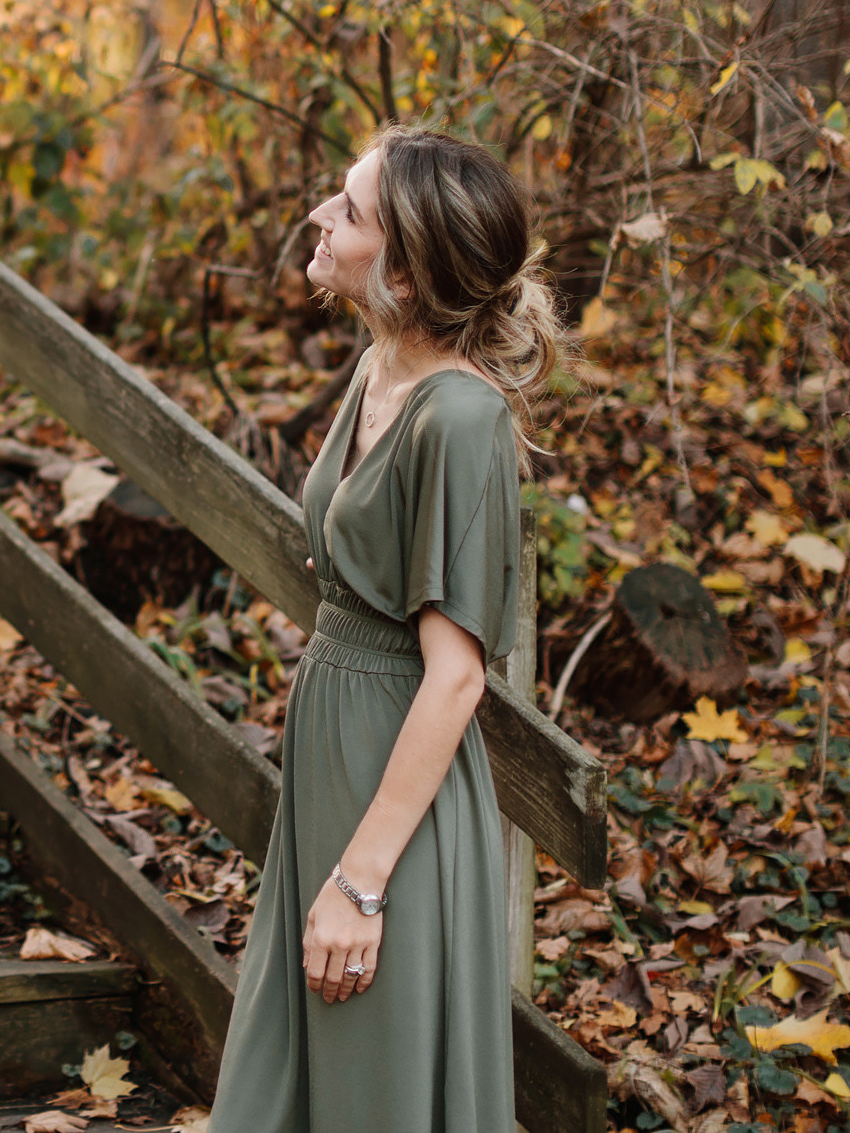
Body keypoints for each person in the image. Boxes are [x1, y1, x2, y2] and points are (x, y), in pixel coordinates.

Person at [209, 125, 564, 1133]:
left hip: (394, 806)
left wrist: (359, 888)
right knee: (293, 1076)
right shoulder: (377, 369)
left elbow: (454, 679)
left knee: (375, 1090)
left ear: (405, 274)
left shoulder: (460, 419)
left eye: (351, 212)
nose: (321, 216)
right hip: (331, 761)